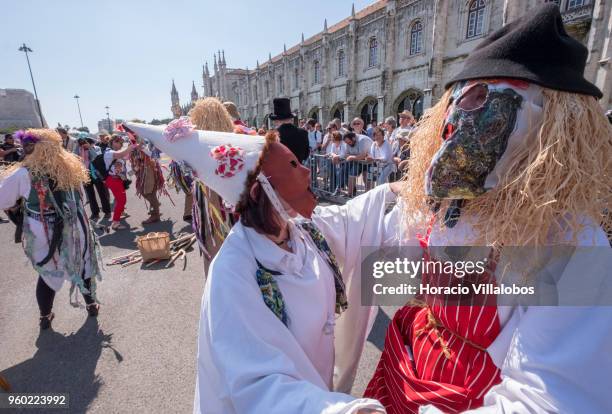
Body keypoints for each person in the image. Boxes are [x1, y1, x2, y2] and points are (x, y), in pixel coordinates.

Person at [364, 4, 612, 413]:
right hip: (404, 367)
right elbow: (387, 255)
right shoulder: (445, 207)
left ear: (552, 125)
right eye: (460, 101)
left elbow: (552, 398)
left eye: (484, 100)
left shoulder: (572, 242)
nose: (463, 118)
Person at [126, 119, 405, 414]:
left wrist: (392, 191)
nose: (309, 171)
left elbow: (350, 220)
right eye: (294, 166)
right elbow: (257, 382)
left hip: (317, 390)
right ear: (260, 193)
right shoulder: (233, 271)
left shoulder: (303, 230)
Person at [0, 129, 102, 329]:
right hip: (75, 226)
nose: (24, 150)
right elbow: (80, 197)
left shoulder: (23, 174)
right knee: (82, 263)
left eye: (28, 146)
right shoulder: (71, 166)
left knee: (47, 272)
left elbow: (3, 199)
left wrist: (15, 206)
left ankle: (45, 316)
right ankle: (91, 304)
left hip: (42, 230)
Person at [104, 135, 137, 230]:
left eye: (121, 142)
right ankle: (115, 223)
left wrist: (137, 146)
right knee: (122, 200)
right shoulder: (109, 152)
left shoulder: (118, 152)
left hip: (118, 180)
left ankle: (120, 212)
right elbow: (120, 155)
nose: (119, 144)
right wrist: (132, 146)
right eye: (117, 141)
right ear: (111, 142)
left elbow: (126, 157)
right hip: (113, 180)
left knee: (121, 200)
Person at [75, 135, 111, 220]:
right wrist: (78, 146)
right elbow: (75, 158)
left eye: (85, 142)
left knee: (102, 193)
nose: (83, 144)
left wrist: (90, 148)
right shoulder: (79, 149)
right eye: (82, 143)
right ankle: (95, 213)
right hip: (85, 174)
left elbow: (96, 157)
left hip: (96, 173)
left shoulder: (96, 148)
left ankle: (107, 211)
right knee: (90, 195)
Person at [334, 131, 372, 197]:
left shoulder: (362, 140)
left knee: (367, 179)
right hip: (358, 161)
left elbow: (363, 155)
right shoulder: (347, 142)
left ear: (354, 138)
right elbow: (346, 154)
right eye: (346, 143)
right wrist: (356, 156)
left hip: (370, 162)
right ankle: (350, 194)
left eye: (349, 142)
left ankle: (368, 196)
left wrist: (352, 156)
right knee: (351, 175)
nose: (348, 144)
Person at [272, 98, 309, 163]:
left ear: (276, 120)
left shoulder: (272, 135)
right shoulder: (303, 133)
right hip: (297, 171)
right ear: (291, 118)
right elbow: (306, 155)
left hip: (280, 171)